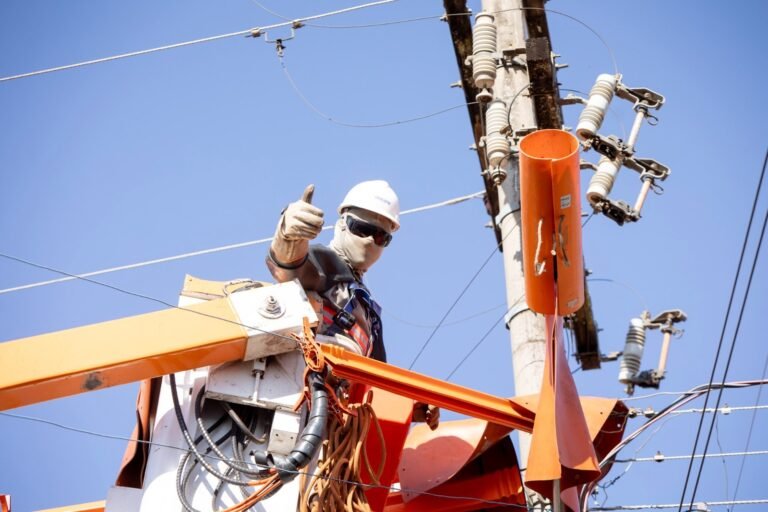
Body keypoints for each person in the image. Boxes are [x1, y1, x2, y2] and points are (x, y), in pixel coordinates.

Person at [266, 180, 439, 429]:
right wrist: (288, 235)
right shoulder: (323, 264)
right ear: (341, 226)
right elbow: (289, 266)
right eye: (361, 228)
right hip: (298, 399)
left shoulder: (367, 312)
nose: (370, 240)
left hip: (336, 420)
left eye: (381, 236)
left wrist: (410, 407)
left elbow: (376, 384)